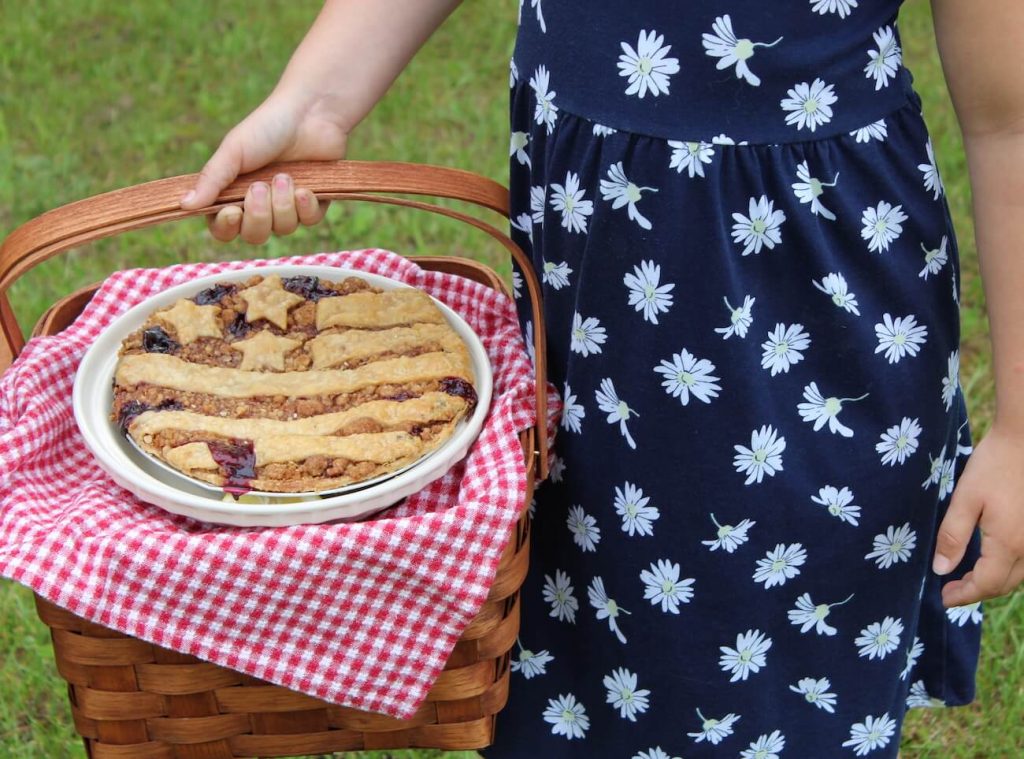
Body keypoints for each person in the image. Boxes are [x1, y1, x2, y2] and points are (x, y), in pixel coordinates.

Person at [181, 2, 1024, 756]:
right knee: (579, 650)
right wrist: (317, 100)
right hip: (589, 310)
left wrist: (1021, 429)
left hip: (800, 333)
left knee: (763, 679)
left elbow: (1010, 121)